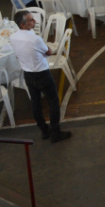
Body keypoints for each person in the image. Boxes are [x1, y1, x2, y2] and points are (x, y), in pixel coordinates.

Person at [9, 11, 72, 143]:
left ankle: (44, 130)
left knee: (35, 102)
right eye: (31, 20)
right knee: (53, 101)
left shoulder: (13, 37)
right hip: (42, 73)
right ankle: (55, 132)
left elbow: (17, 54)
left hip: (28, 73)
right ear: (22, 24)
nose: (35, 22)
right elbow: (48, 52)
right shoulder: (35, 39)